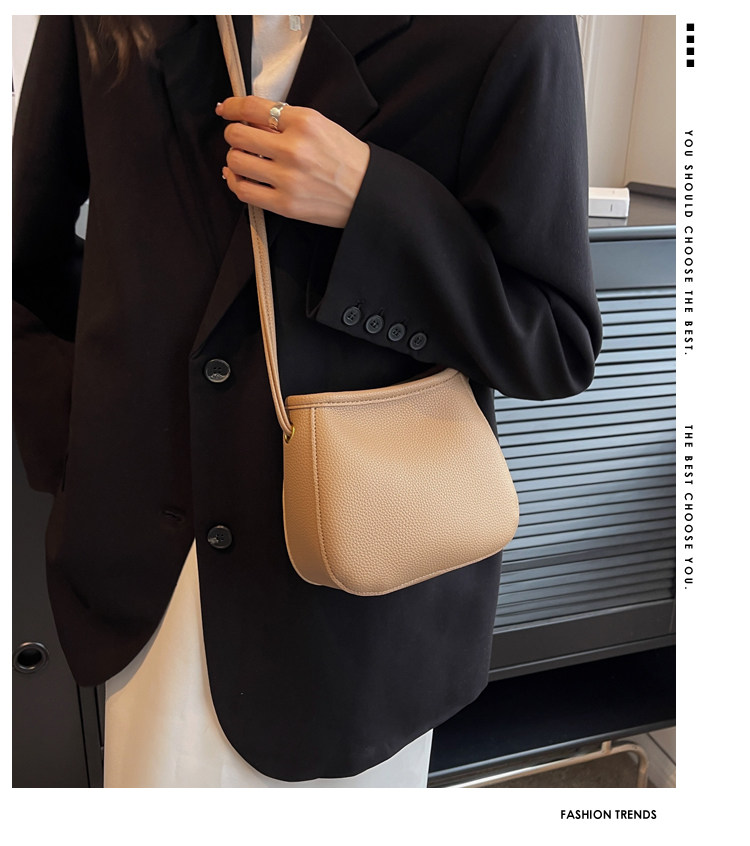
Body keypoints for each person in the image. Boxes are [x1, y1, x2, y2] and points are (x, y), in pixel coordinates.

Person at [12, 15, 602, 787]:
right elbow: (23, 250)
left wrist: (372, 201)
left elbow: (553, 338)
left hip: (355, 611)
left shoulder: (506, 24)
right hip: (143, 581)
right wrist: (78, 445)